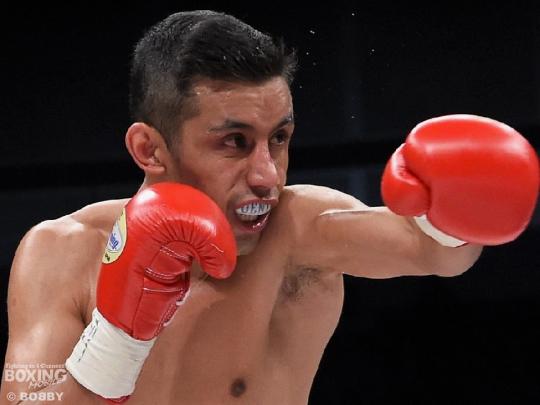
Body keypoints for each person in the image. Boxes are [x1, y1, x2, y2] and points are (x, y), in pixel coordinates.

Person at [1, 9, 538, 405]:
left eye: (278, 139)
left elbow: (435, 253)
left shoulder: (297, 233)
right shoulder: (62, 252)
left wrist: (458, 210)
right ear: (149, 149)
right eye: (234, 142)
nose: (267, 176)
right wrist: (118, 335)